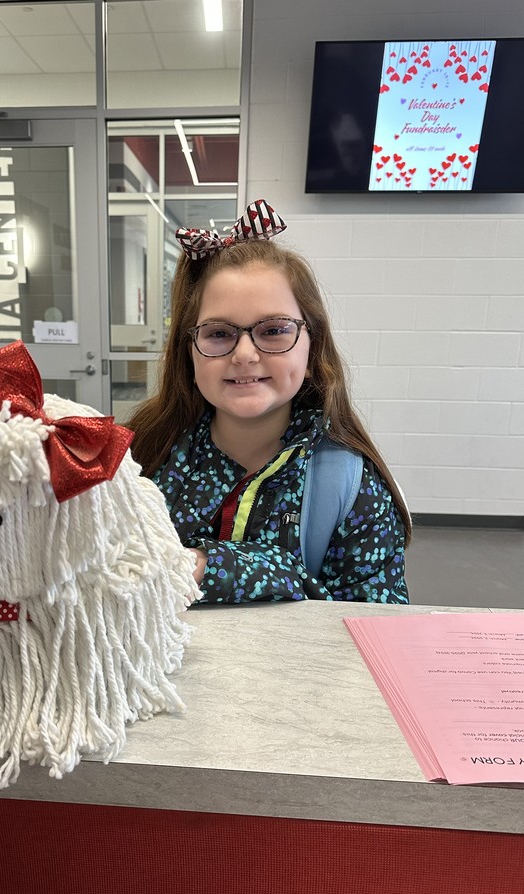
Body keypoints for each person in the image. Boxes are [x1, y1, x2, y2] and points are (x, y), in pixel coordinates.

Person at [126, 199, 410, 604]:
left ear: (313, 352)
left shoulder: (351, 487)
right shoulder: (143, 453)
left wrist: (214, 568)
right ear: (188, 354)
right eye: (218, 334)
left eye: (274, 330)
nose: (244, 354)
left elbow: (375, 627)